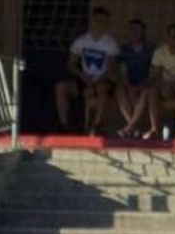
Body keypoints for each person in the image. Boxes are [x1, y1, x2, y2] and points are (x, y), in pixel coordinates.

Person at [54, 7, 119, 135]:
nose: (100, 24)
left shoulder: (110, 43)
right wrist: (82, 76)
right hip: (84, 79)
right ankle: (63, 126)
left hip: (103, 80)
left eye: (103, 21)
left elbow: (110, 68)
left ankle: (97, 125)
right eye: (97, 20)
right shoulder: (81, 41)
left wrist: (94, 83)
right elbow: (70, 64)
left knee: (101, 88)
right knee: (60, 87)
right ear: (92, 21)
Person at [113, 19, 156, 138]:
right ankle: (133, 127)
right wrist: (129, 85)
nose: (135, 32)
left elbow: (152, 74)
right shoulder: (124, 49)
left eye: (138, 30)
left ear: (143, 32)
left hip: (145, 83)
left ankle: (129, 127)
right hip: (130, 83)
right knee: (120, 90)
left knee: (145, 91)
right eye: (132, 30)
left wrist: (140, 86)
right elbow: (123, 73)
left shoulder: (150, 49)